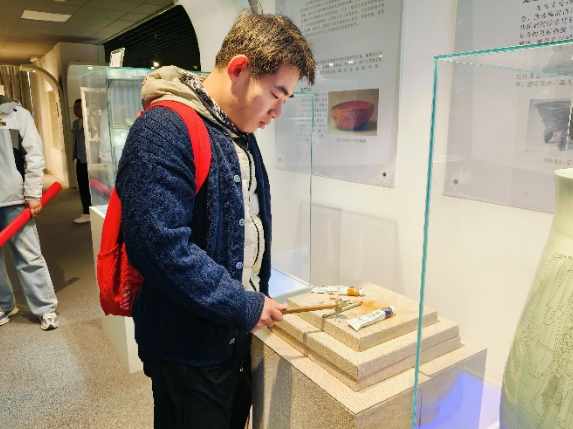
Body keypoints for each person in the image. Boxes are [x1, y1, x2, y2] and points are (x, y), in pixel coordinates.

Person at [115, 11, 315, 429]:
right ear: (239, 69)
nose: (278, 111)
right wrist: (242, 304)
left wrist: (247, 306)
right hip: (188, 347)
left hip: (232, 331)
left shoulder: (238, 132)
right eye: (276, 94)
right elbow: (158, 246)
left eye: (287, 100)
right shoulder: (163, 129)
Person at [0, 95, 59, 330]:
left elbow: (34, 155)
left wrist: (33, 193)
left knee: (28, 255)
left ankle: (45, 308)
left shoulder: (16, 115)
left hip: (13, 198)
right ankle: (4, 305)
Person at [72, 99, 91, 223]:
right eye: (74, 108)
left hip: (89, 159)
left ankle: (89, 211)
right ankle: (86, 210)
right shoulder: (75, 123)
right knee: (82, 186)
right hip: (79, 158)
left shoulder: (90, 121)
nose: (75, 110)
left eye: (77, 108)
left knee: (90, 186)